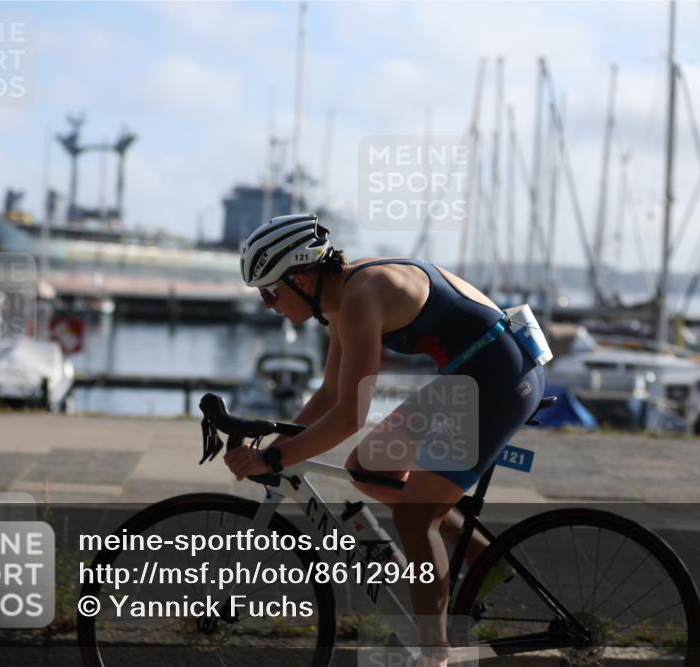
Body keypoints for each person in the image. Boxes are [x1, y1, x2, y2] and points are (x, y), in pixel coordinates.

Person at [224, 214, 546, 667]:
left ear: (300, 278)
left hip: (500, 379)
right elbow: (332, 392)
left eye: (269, 292)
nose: (267, 305)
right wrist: (276, 443)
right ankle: (484, 560)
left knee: (416, 520)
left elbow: (350, 414)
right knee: (368, 469)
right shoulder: (341, 297)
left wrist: (276, 457)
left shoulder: (360, 297)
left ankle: (435, 654)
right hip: (472, 373)